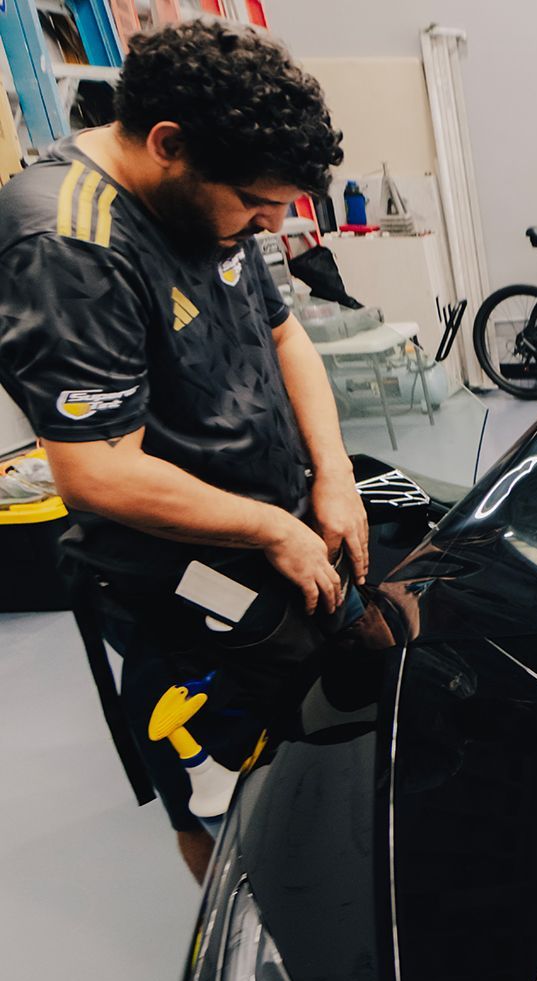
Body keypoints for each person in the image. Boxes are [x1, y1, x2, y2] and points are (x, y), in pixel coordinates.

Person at [0, 23, 367, 881]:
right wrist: (271, 531)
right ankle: (249, 932)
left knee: (318, 729)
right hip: (179, 577)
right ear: (169, 146)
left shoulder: (216, 198)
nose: (269, 224)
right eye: (255, 202)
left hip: (276, 526)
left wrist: (335, 477)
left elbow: (285, 340)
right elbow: (94, 466)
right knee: (220, 782)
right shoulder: (70, 243)